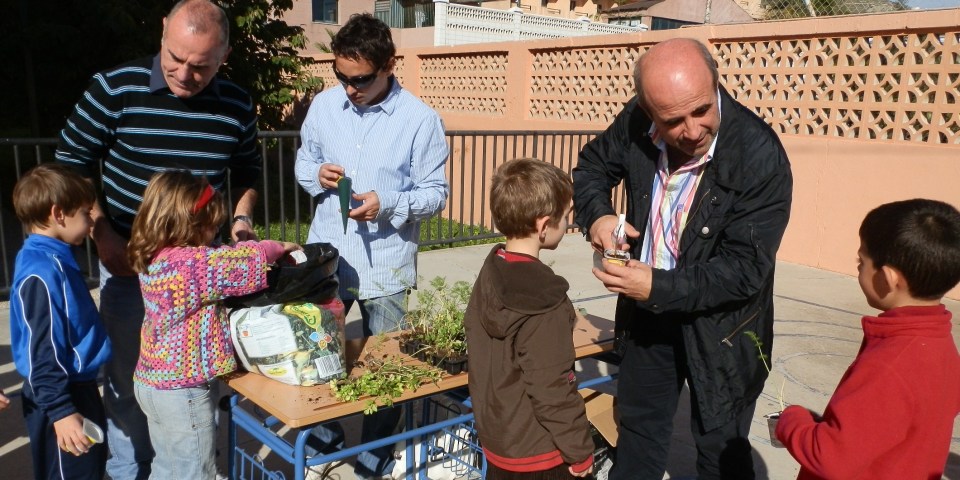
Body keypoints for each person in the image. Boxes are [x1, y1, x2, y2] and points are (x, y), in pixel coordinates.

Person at [54, 1, 262, 477]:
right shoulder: (114, 88)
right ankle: (129, 470)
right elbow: (70, 165)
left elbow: (248, 170)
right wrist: (102, 232)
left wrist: (241, 218)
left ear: (224, 56)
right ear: (163, 31)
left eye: (201, 66)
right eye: (175, 58)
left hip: (198, 273)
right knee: (129, 380)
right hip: (128, 261)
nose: (185, 74)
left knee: (193, 380)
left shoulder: (236, 104)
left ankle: (187, 464)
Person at [572, 38, 793, 480]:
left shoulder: (759, 156)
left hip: (723, 329)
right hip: (650, 316)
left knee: (720, 453)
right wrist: (597, 217)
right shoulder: (637, 120)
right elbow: (592, 167)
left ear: (715, 84)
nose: (692, 130)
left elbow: (745, 271)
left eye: (702, 110)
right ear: (648, 109)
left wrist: (657, 285)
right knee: (638, 435)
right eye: (673, 120)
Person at [294, 13, 448, 479]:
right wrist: (316, 175)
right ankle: (324, 445)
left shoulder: (420, 120)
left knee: (387, 371)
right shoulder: (324, 106)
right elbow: (304, 161)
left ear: (389, 65)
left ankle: (372, 460)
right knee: (313, 359)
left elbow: (436, 194)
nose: (349, 88)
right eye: (340, 75)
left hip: (386, 265)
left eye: (360, 79)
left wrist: (389, 203)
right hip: (327, 258)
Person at [126, 171, 299, 479]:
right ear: (191, 224)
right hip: (183, 390)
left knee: (168, 467)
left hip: (152, 383)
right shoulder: (194, 265)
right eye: (213, 225)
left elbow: (216, 258)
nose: (216, 231)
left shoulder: (155, 255)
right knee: (195, 472)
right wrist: (280, 246)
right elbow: (248, 260)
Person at [775, 198, 960, 479]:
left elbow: (830, 457)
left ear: (888, 278)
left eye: (862, 262)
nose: (859, 269)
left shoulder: (891, 363)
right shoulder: (939, 341)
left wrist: (792, 420)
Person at [464, 159, 594, 480]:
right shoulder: (543, 297)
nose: (568, 223)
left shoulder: (491, 273)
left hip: (501, 441)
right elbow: (552, 386)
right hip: (541, 454)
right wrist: (579, 451)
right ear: (544, 225)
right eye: (566, 216)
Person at [9, 163, 112, 480]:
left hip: (75, 388)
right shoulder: (43, 272)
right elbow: (43, 350)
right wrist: (62, 411)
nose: (91, 220)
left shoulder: (53, 258)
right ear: (58, 214)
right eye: (85, 213)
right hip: (62, 394)